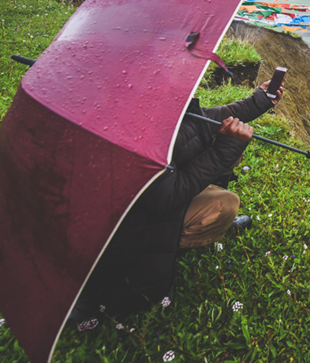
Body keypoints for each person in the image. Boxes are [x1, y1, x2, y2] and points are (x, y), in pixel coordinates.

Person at [70, 80, 283, 320]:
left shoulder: (138, 103)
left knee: (223, 141)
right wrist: (226, 148)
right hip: (133, 227)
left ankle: (195, 221)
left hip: (153, 194)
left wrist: (259, 101)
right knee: (224, 204)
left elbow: (202, 121)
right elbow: (167, 196)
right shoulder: (130, 134)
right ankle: (174, 247)